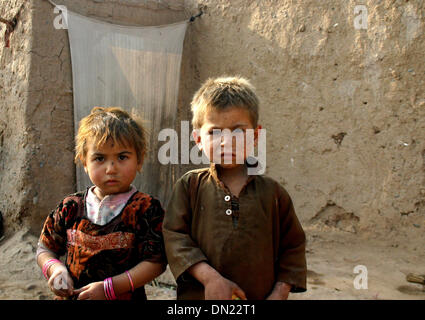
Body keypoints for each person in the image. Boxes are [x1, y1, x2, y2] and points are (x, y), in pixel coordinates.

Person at [163, 76, 307, 300]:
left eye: (238, 131)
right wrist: (210, 278)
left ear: (256, 136)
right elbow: (174, 237)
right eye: (215, 132)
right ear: (198, 139)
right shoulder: (189, 187)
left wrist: (279, 293)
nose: (226, 141)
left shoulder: (273, 194)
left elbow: (293, 247)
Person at [36, 107, 167, 300]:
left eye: (122, 157)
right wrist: (55, 270)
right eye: (99, 158)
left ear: (139, 160)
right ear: (84, 162)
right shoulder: (70, 207)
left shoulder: (145, 209)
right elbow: (45, 248)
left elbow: (156, 262)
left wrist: (110, 289)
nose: (111, 168)